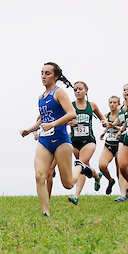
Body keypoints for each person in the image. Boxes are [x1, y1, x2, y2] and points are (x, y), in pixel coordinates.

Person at [20, 62, 94, 216]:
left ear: (56, 76)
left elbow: (71, 113)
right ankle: (45, 213)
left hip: (61, 140)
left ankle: (80, 166)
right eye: (42, 73)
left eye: (47, 73)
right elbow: (42, 120)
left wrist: (53, 124)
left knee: (67, 184)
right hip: (44, 141)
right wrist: (29, 129)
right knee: (40, 175)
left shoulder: (59, 92)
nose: (43, 76)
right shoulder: (41, 97)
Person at [68, 82, 107, 204]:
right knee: (85, 167)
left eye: (80, 89)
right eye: (75, 89)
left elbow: (102, 117)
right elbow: (62, 120)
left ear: (86, 91)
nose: (77, 91)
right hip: (74, 141)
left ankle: (76, 195)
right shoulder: (69, 106)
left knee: (80, 164)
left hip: (89, 141)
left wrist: (105, 122)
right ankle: (97, 176)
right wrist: (68, 123)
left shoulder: (92, 105)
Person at [96, 95, 122, 195]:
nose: (112, 104)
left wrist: (115, 127)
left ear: (119, 104)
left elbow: (125, 127)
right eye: (110, 102)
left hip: (120, 144)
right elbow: (107, 126)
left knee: (120, 168)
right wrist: (104, 131)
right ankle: (110, 180)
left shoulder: (121, 116)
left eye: (114, 102)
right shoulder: (106, 115)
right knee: (102, 166)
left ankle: (123, 192)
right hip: (109, 143)